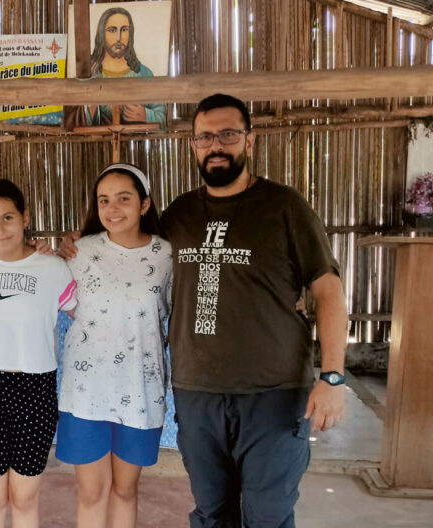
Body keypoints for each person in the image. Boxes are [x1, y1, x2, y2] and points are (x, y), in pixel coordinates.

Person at [60, 94, 348, 527]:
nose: (216, 145)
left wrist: (333, 376)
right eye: (205, 137)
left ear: (249, 141)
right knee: (212, 512)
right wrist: (74, 245)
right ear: (193, 145)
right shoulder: (180, 215)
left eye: (228, 134)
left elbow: (328, 289)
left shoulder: (284, 207)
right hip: (197, 394)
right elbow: (128, 251)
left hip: (272, 393)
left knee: (267, 515)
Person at [55, 163, 173, 528]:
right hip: (86, 391)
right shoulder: (77, 252)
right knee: (91, 494)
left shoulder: (167, 256)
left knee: (125, 490)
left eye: (124, 198)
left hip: (140, 391)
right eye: (104, 200)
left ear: (144, 204)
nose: (113, 208)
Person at [0, 179, 77, 528]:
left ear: (25, 217)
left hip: (34, 389)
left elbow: (81, 312)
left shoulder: (53, 268)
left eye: (8, 218)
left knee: (25, 497)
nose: (0, 229)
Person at [65, 7, 166, 129]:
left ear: (130, 33)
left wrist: (146, 116)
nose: (118, 37)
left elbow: (163, 118)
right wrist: (92, 103)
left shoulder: (144, 73)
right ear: (102, 34)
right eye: (112, 30)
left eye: (124, 30)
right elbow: (70, 119)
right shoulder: (89, 73)